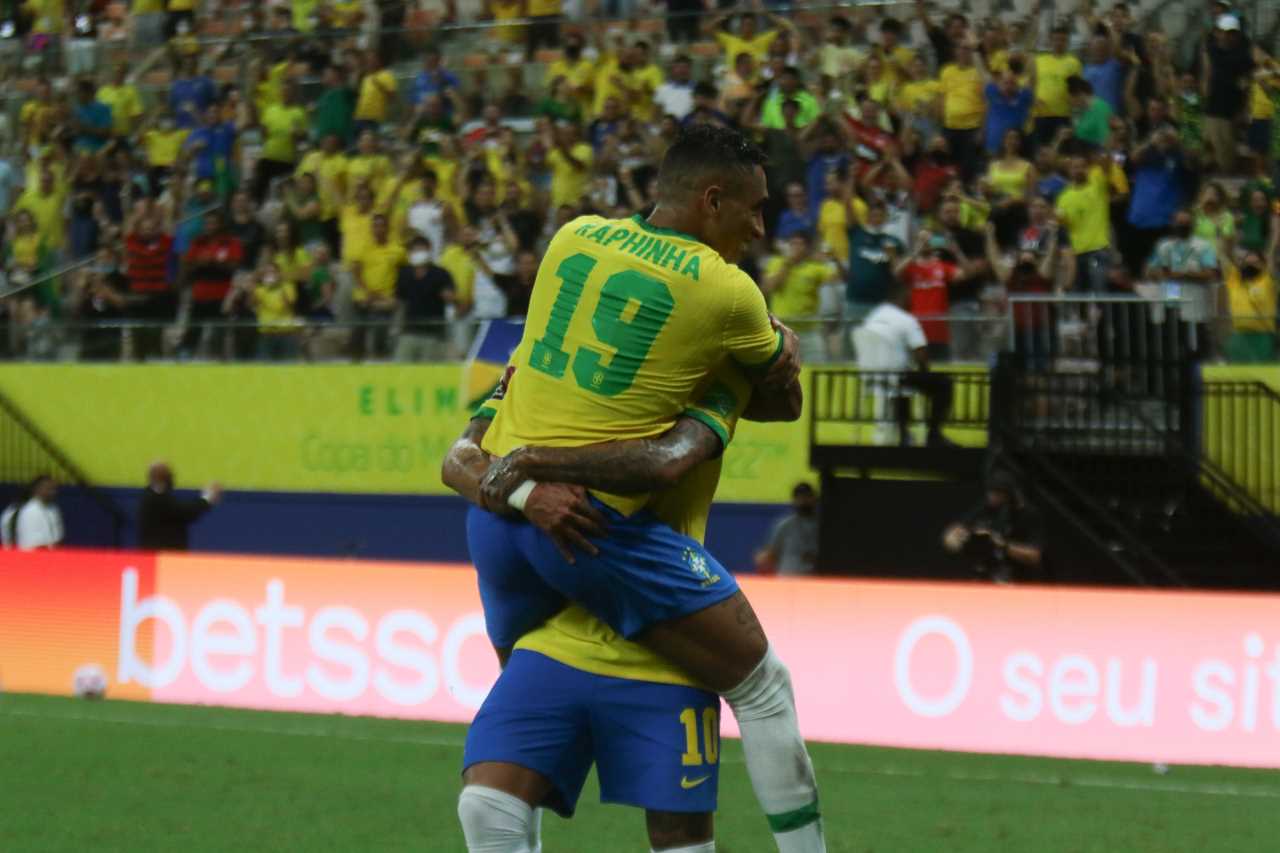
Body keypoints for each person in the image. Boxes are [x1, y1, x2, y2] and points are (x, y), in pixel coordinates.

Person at [443, 124, 823, 852]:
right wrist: (774, 351)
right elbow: (775, 399)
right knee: (762, 688)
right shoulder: (727, 292)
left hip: (500, 529)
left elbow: (464, 449)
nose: (760, 225)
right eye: (752, 207)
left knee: (490, 803)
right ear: (712, 201)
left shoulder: (572, 238)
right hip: (600, 530)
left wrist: (521, 472)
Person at [446, 369, 760, 853]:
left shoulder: (698, 364)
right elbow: (458, 460)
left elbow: (665, 463)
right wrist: (526, 494)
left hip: (664, 630)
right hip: (559, 633)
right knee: (487, 805)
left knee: (682, 841)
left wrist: (766, 351)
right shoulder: (533, 361)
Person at [857, 283, 955, 448]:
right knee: (943, 383)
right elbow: (921, 355)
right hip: (898, 377)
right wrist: (924, 371)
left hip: (871, 376)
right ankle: (933, 434)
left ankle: (905, 435)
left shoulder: (872, 317)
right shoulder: (906, 319)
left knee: (901, 383)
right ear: (902, 298)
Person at [943, 468, 1045, 583]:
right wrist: (960, 538)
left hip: (1018, 579)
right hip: (987, 575)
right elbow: (953, 533)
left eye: (997, 494)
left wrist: (1002, 545)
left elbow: (1034, 556)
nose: (991, 497)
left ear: (1008, 495)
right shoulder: (986, 507)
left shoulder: (1027, 515)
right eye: (990, 492)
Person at [393, 235, 455, 362]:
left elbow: (451, 296)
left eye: (422, 250)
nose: (418, 253)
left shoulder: (440, 273)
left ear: (429, 251)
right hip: (409, 332)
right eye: (415, 250)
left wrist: (448, 296)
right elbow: (399, 301)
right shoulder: (404, 274)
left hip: (432, 334)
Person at [138, 462, 222, 551]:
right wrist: (208, 497)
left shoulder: (148, 496)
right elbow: (186, 511)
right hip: (163, 555)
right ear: (167, 478)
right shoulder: (157, 498)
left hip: (155, 554)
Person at [754, 483, 819, 576]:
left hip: (814, 582)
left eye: (807, 497)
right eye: (799, 497)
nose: (803, 501)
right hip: (787, 580)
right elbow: (770, 554)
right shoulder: (785, 525)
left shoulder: (822, 527)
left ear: (814, 499)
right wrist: (762, 559)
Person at [14, 474, 64, 550]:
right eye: (49, 489)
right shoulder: (30, 511)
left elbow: (58, 538)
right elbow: (32, 545)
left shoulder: (53, 510)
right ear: (37, 489)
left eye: (54, 489)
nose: (53, 492)